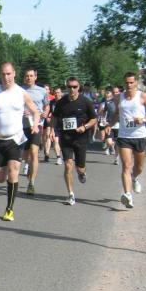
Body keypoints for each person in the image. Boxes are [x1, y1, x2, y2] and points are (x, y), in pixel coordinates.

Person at [0, 62, 40, 221]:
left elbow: (35, 112)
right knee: (0, 177)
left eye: (9, 74)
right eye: (3, 74)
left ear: (14, 74)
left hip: (16, 138)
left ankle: (9, 210)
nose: (6, 77)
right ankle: (7, 170)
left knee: (13, 172)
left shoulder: (21, 93)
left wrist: (35, 125)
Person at [52, 76, 97, 206]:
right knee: (68, 165)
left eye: (74, 87)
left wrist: (85, 127)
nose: (72, 89)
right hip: (66, 138)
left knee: (80, 168)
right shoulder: (61, 102)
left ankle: (82, 173)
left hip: (81, 138)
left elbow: (94, 119)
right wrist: (51, 130)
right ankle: (71, 194)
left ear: (79, 87)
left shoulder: (86, 102)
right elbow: (54, 117)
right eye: (69, 87)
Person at [116, 72, 146, 208]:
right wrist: (108, 125)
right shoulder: (119, 97)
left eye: (131, 82)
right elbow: (117, 113)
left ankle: (135, 178)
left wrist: (143, 119)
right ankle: (128, 195)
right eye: (126, 83)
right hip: (124, 136)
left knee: (139, 167)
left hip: (140, 136)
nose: (129, 85)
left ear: (136, 83)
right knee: (126, 166)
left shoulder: (142, 96)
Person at [19, 68, 50, 195]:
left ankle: (31, 183)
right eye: (27, 76)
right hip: (22, 126)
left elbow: (47, 105)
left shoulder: (42, 91)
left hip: (37, 125)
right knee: (25, 155)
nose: (29, 78)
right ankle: (28, 165)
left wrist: (45, 112)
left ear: (35, 77)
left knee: (34, 152)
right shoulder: (19, 90)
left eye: (31, 76)